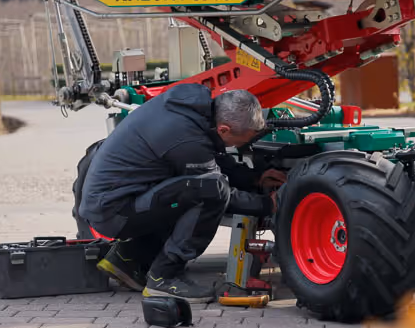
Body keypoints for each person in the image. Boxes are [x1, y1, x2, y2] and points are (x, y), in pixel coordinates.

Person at [80, 84, 286, 303]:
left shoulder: (194, 111)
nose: (244, 144)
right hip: (113, 213)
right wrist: (267, 205)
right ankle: (164, 278)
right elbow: (215, 187)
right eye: (244, 140)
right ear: (224, 129)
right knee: (209, 192)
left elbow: (211, 155)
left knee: (186, 191)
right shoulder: (186, 137)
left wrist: (254, 177)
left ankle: (126, 259)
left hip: (117, 199)